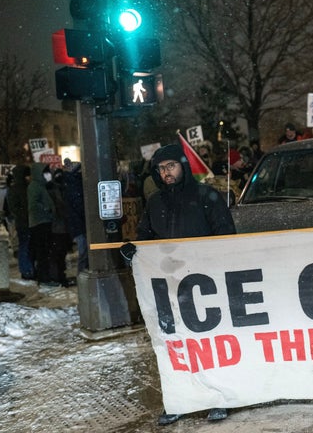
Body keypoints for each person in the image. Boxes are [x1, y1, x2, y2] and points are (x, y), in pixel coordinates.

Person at [131, 143, 236, 425]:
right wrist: (134, 250)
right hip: (168, 288)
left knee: (208, 345)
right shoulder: (154, 203)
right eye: (161, 169)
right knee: (173, 347)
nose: (166, 173)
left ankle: (218, 398)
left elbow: (227, 237)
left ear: (183, 166)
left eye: (171, 166)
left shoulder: (207, 196)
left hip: (205, 287)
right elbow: (145, 238)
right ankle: (178, 400)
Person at [27, 163, 57, 286]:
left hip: (44, 222)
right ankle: (44, 278)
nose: (47, 174)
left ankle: (45, 277)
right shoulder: (35, 186)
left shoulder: (41, 185)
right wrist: (46, 208)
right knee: (43, 252)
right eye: (45, 172)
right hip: (40, 223)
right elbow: (33, 204)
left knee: (44, 251)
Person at [7, 165, 34, 279]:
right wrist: (27, 213)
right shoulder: (19, 189)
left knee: (27, 246)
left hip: (27, 222)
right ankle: (26, 270)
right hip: (24, 222)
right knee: (25, 246)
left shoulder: (21, 188)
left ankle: (28, 269)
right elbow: (14, 208)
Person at [63, 160, 88, 276]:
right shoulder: (75, 185)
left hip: (77, 223)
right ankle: (81, 274)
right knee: (84, 251)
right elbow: (79, 205)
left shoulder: (71, 184)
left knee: (85, 251)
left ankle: (82, 274)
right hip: (79, 223)